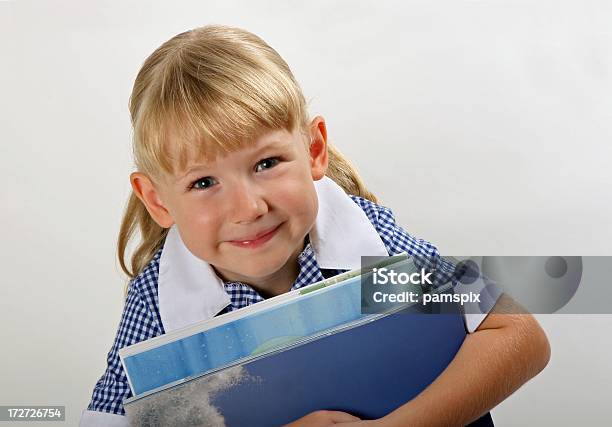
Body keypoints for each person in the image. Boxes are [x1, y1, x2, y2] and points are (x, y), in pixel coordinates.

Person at [80, 24, 550, 427]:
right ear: (158, 200)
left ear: (314, 151)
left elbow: (519, 335)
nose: (247, 208)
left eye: (266, 163)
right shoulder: (155, 306)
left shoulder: (372, 243)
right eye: (204, 181)